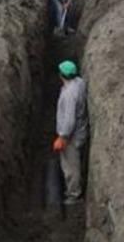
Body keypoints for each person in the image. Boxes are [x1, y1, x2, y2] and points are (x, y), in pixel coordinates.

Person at [52, 59, 89, 205]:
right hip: (81, 130)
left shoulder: (69, 95)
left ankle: (74, 195)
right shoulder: (79, 83)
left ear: (61, 75)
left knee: (70, 166)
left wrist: (62, 137)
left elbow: (69, 120)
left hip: (72, 137)